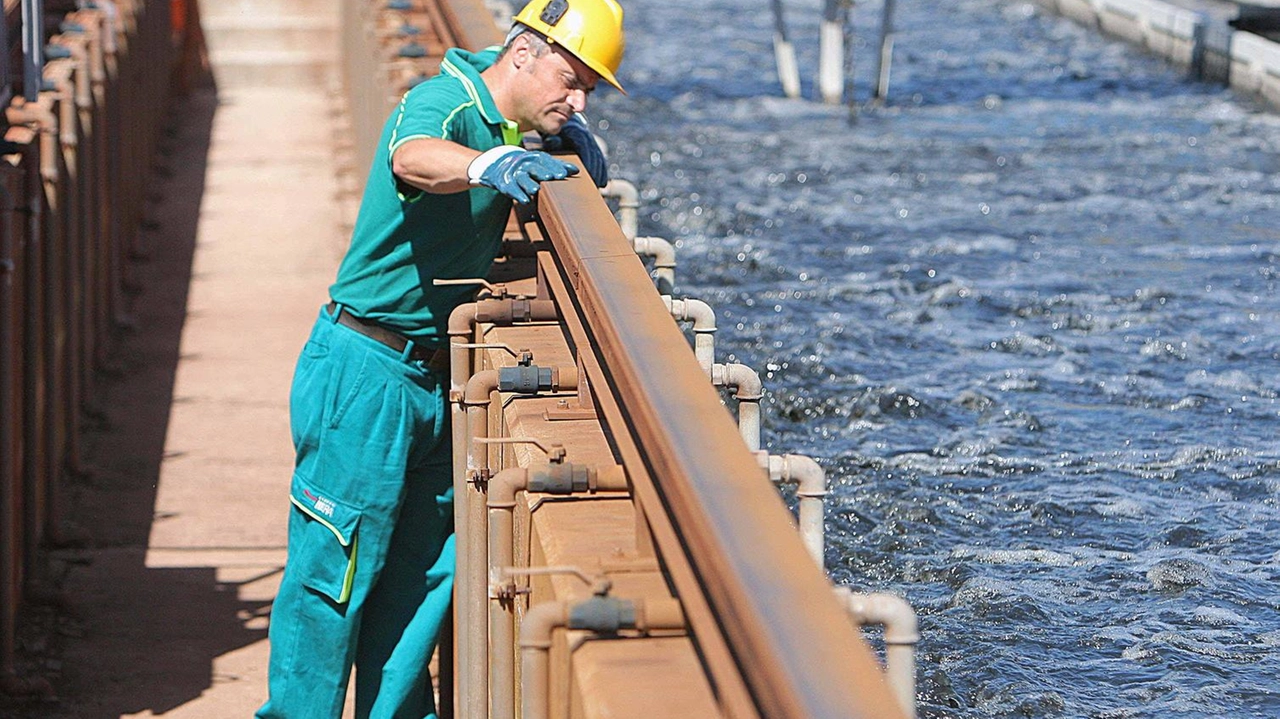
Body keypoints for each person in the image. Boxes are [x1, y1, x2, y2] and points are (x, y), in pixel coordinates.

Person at [256, 0, 625, 716]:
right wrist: (489, 163)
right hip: (365, 369)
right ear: (522, 54)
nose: (576, 98)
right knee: (333, 577)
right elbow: (413, 154)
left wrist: (559, 137)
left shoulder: (512, 124)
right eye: (570, 78)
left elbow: (515, 137)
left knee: (421, 579)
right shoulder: (445, 101)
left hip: (429, 376)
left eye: (587, 88)